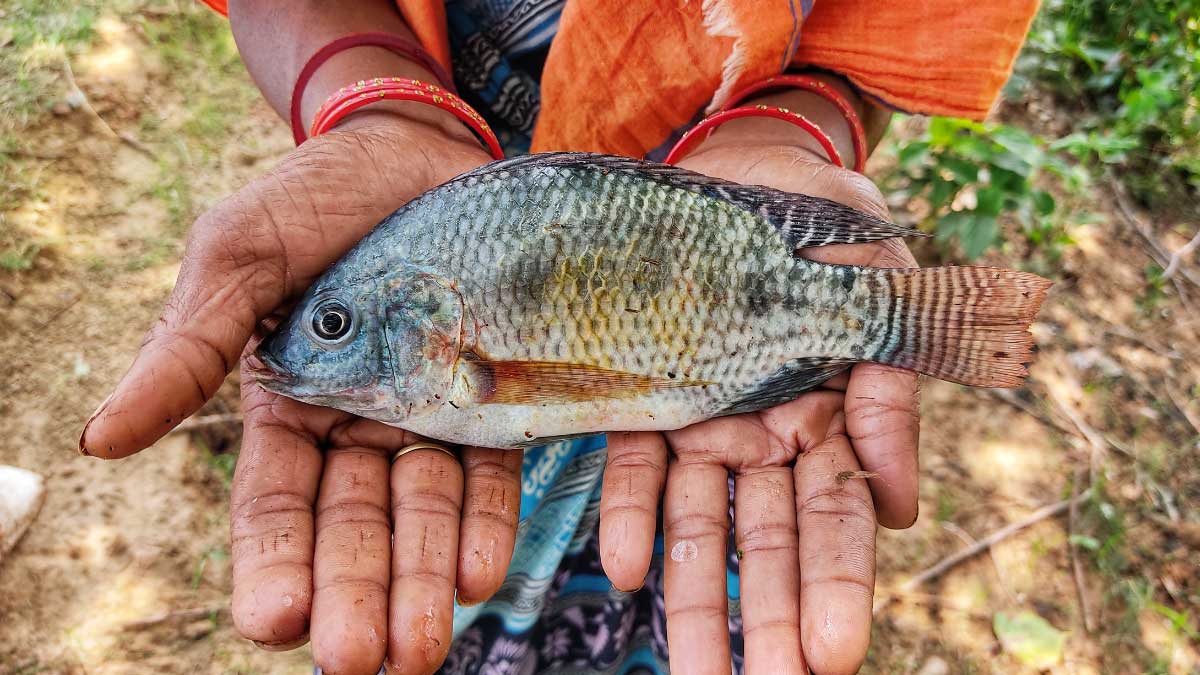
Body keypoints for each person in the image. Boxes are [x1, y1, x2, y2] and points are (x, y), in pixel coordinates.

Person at [79, 1, 1039, 673]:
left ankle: (903, 324)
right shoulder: (412, 263)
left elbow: (903, 27)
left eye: (336, 326)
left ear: (436, 327)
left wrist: (797, 129)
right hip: (470, 174)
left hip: (709, 424)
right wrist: (372, 105)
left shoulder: (470, 355)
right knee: (414, 605)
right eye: (332, 323)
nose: (309, 348)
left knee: (708, 585)